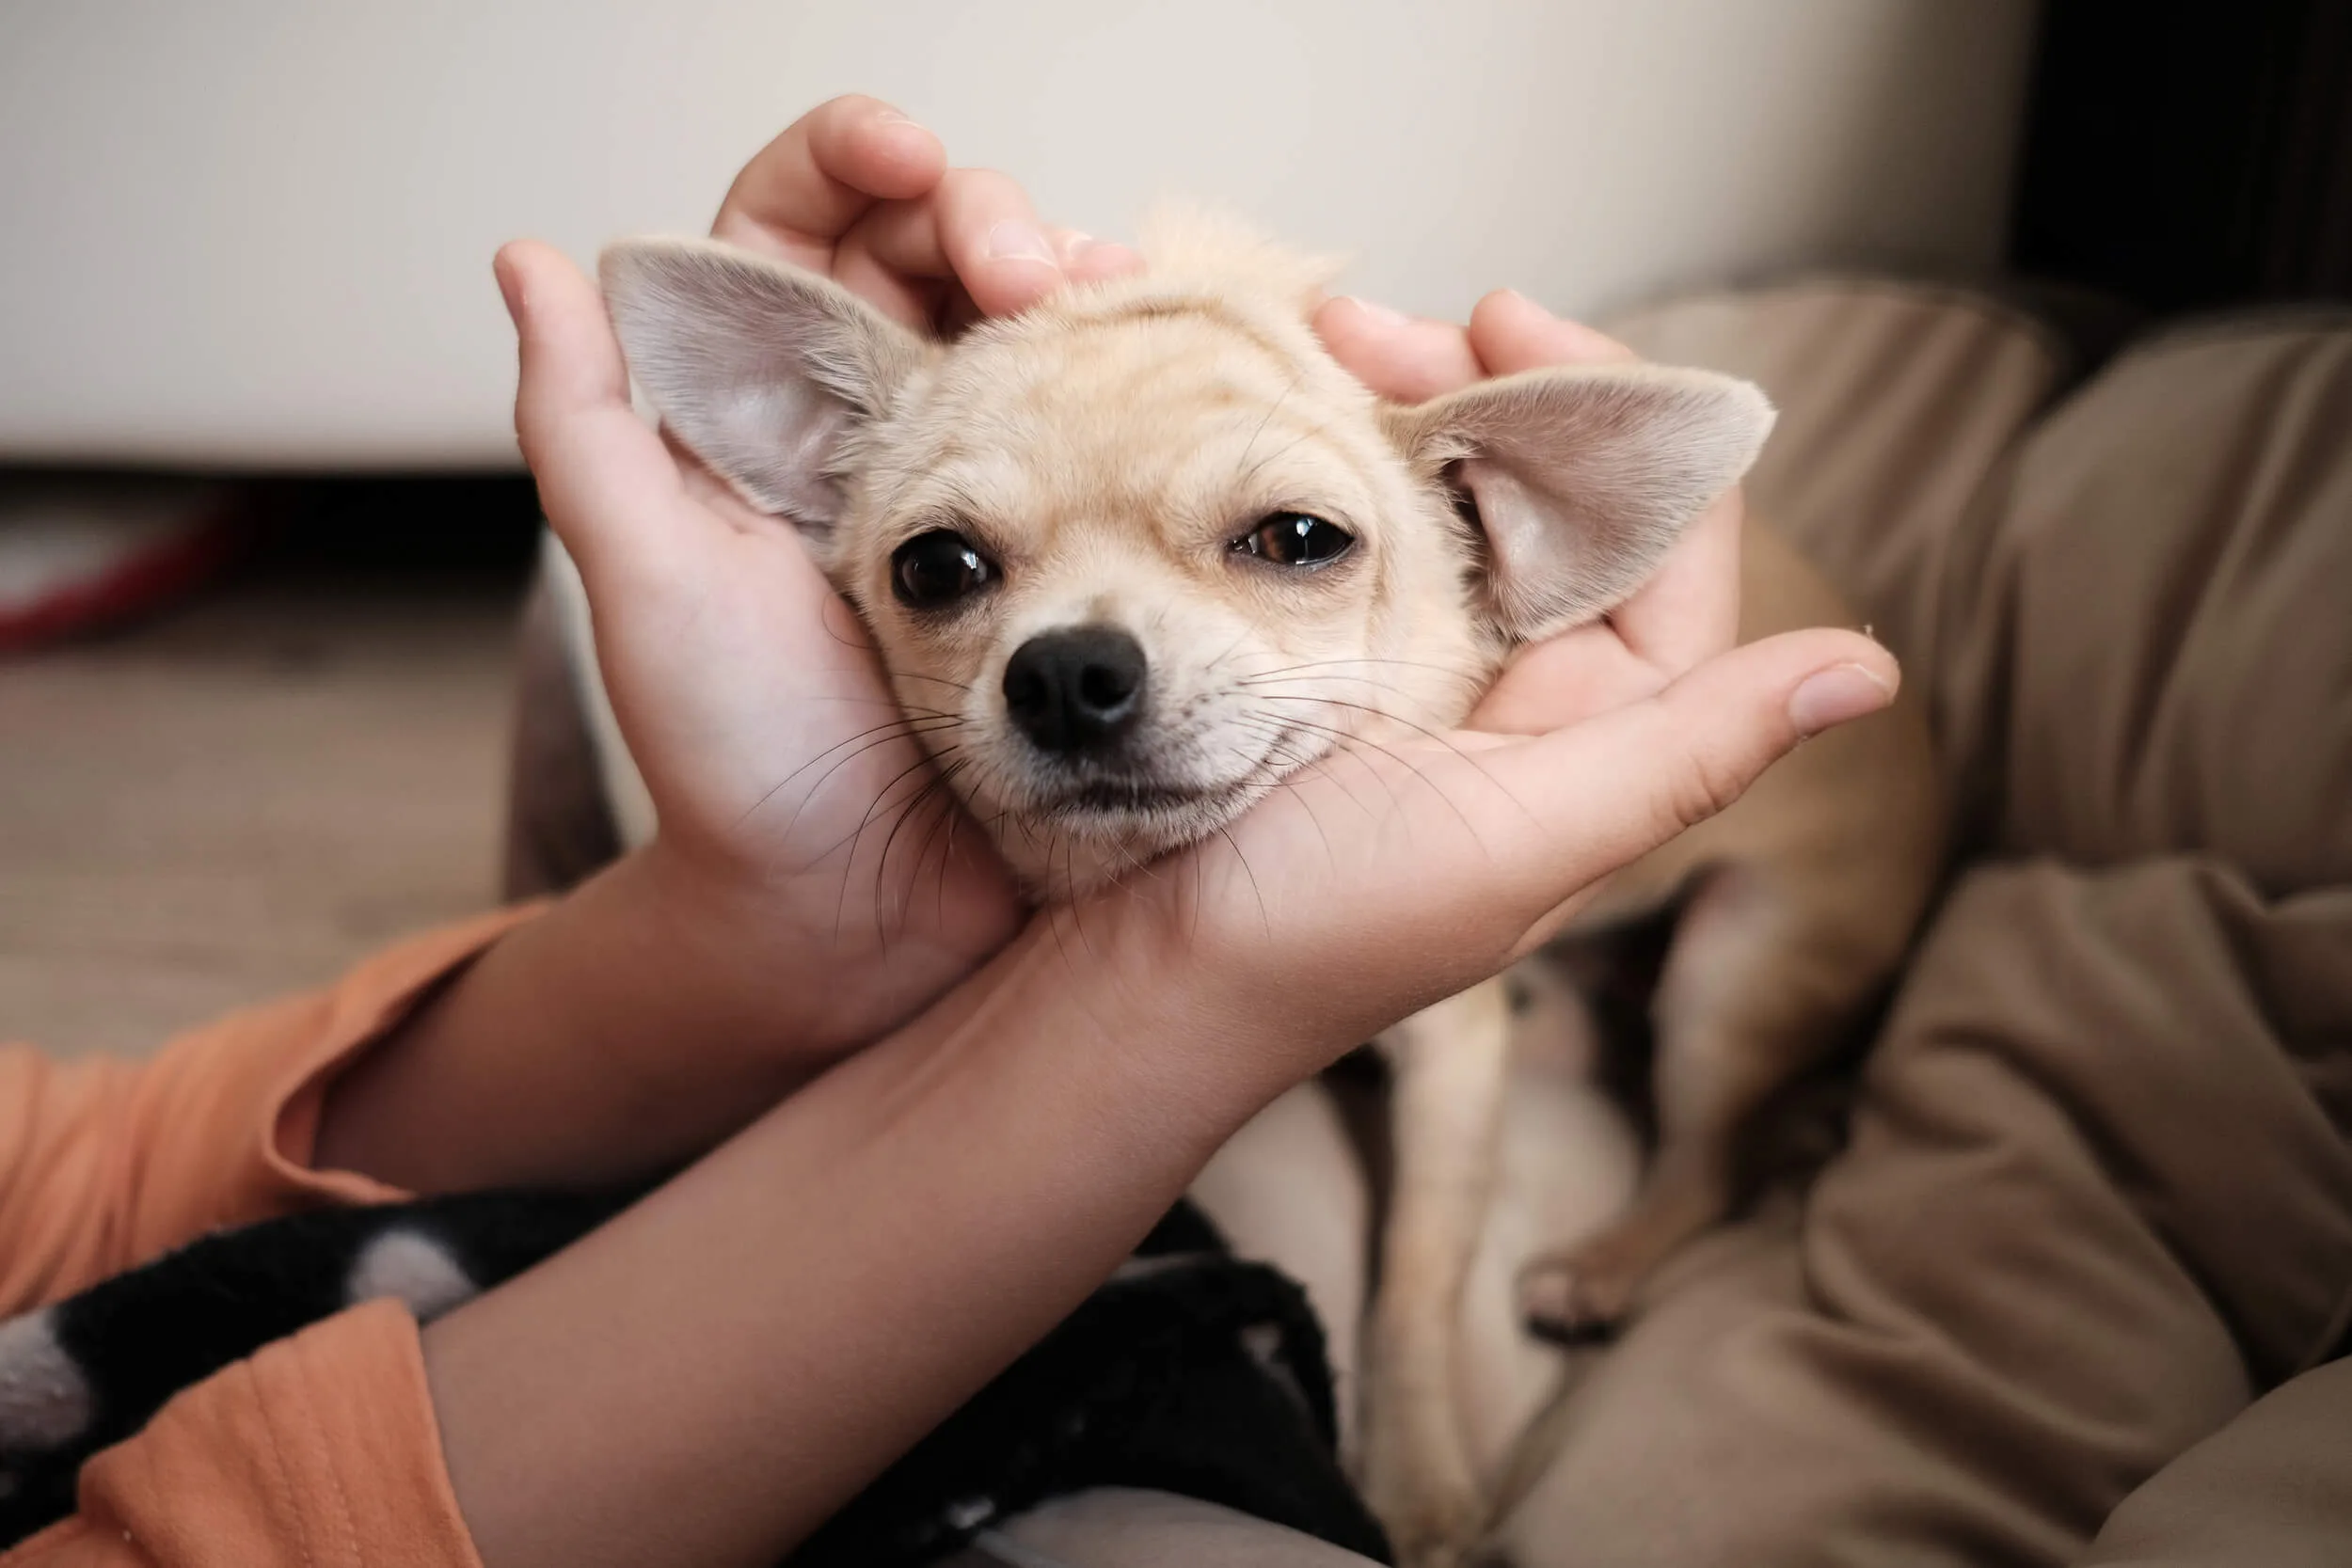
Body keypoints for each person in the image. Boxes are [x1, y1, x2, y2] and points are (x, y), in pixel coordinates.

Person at [0, 97, 1896, 1568]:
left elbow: (80, 1176)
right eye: (948, 564)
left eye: (1285, 538)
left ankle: (1687, 1188)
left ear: (1503, 536)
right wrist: (998, 947)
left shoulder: (1474, 569)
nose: (1076, 656)